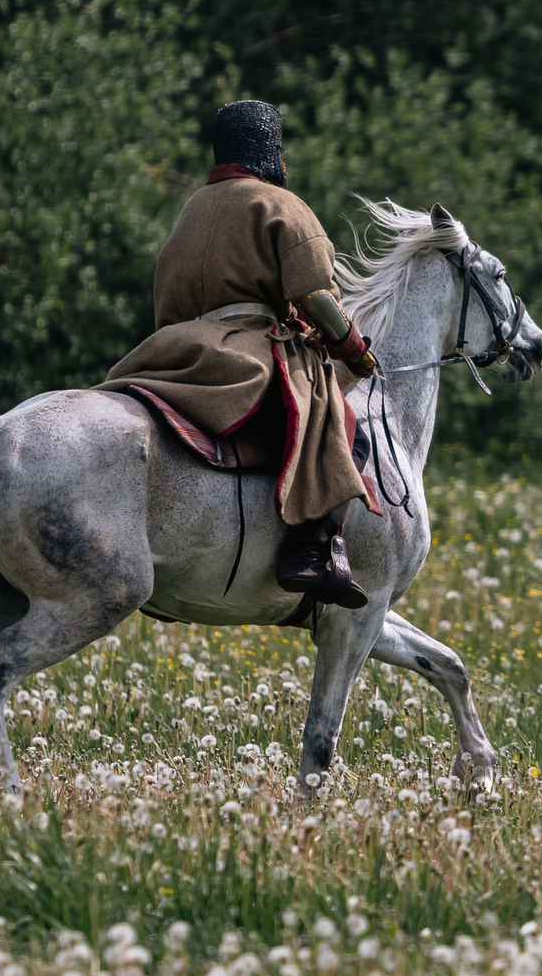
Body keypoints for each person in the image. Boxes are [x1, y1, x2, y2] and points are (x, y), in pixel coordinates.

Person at [99, 101, 381, 608]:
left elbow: (165, 301)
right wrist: (352, 348)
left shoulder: (191, 210)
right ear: (269, 150)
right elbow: (316, 295)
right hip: (248, 353)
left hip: (175, 350)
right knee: (339, 426)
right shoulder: (279, 203)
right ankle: (307, 551)